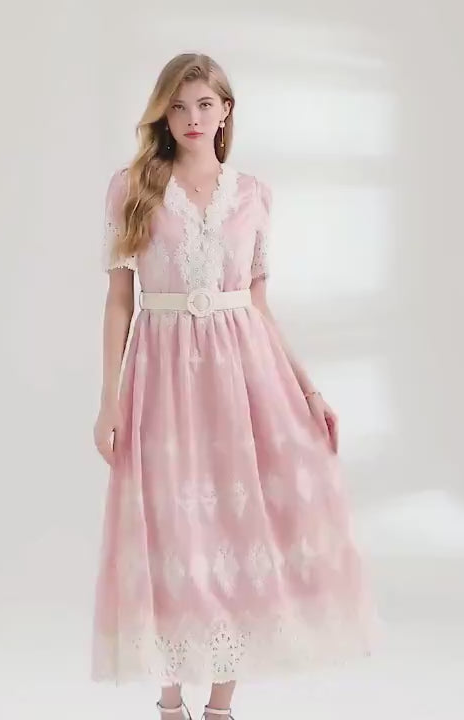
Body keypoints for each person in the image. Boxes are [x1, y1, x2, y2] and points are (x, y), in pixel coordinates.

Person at [91, 52, 380, 720]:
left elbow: (258, 304)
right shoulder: (130, 187)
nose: (191, 118)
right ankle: (170, 701)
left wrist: (307, 390)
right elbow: (118, 303)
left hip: (245, 377)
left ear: (225, 112)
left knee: (238, 525)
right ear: (163, 113)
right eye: (178, 106)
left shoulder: (252, 194)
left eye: (204, 104)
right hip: (162, 377)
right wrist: (108, 401)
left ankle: (221, 705)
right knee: (169, 529)